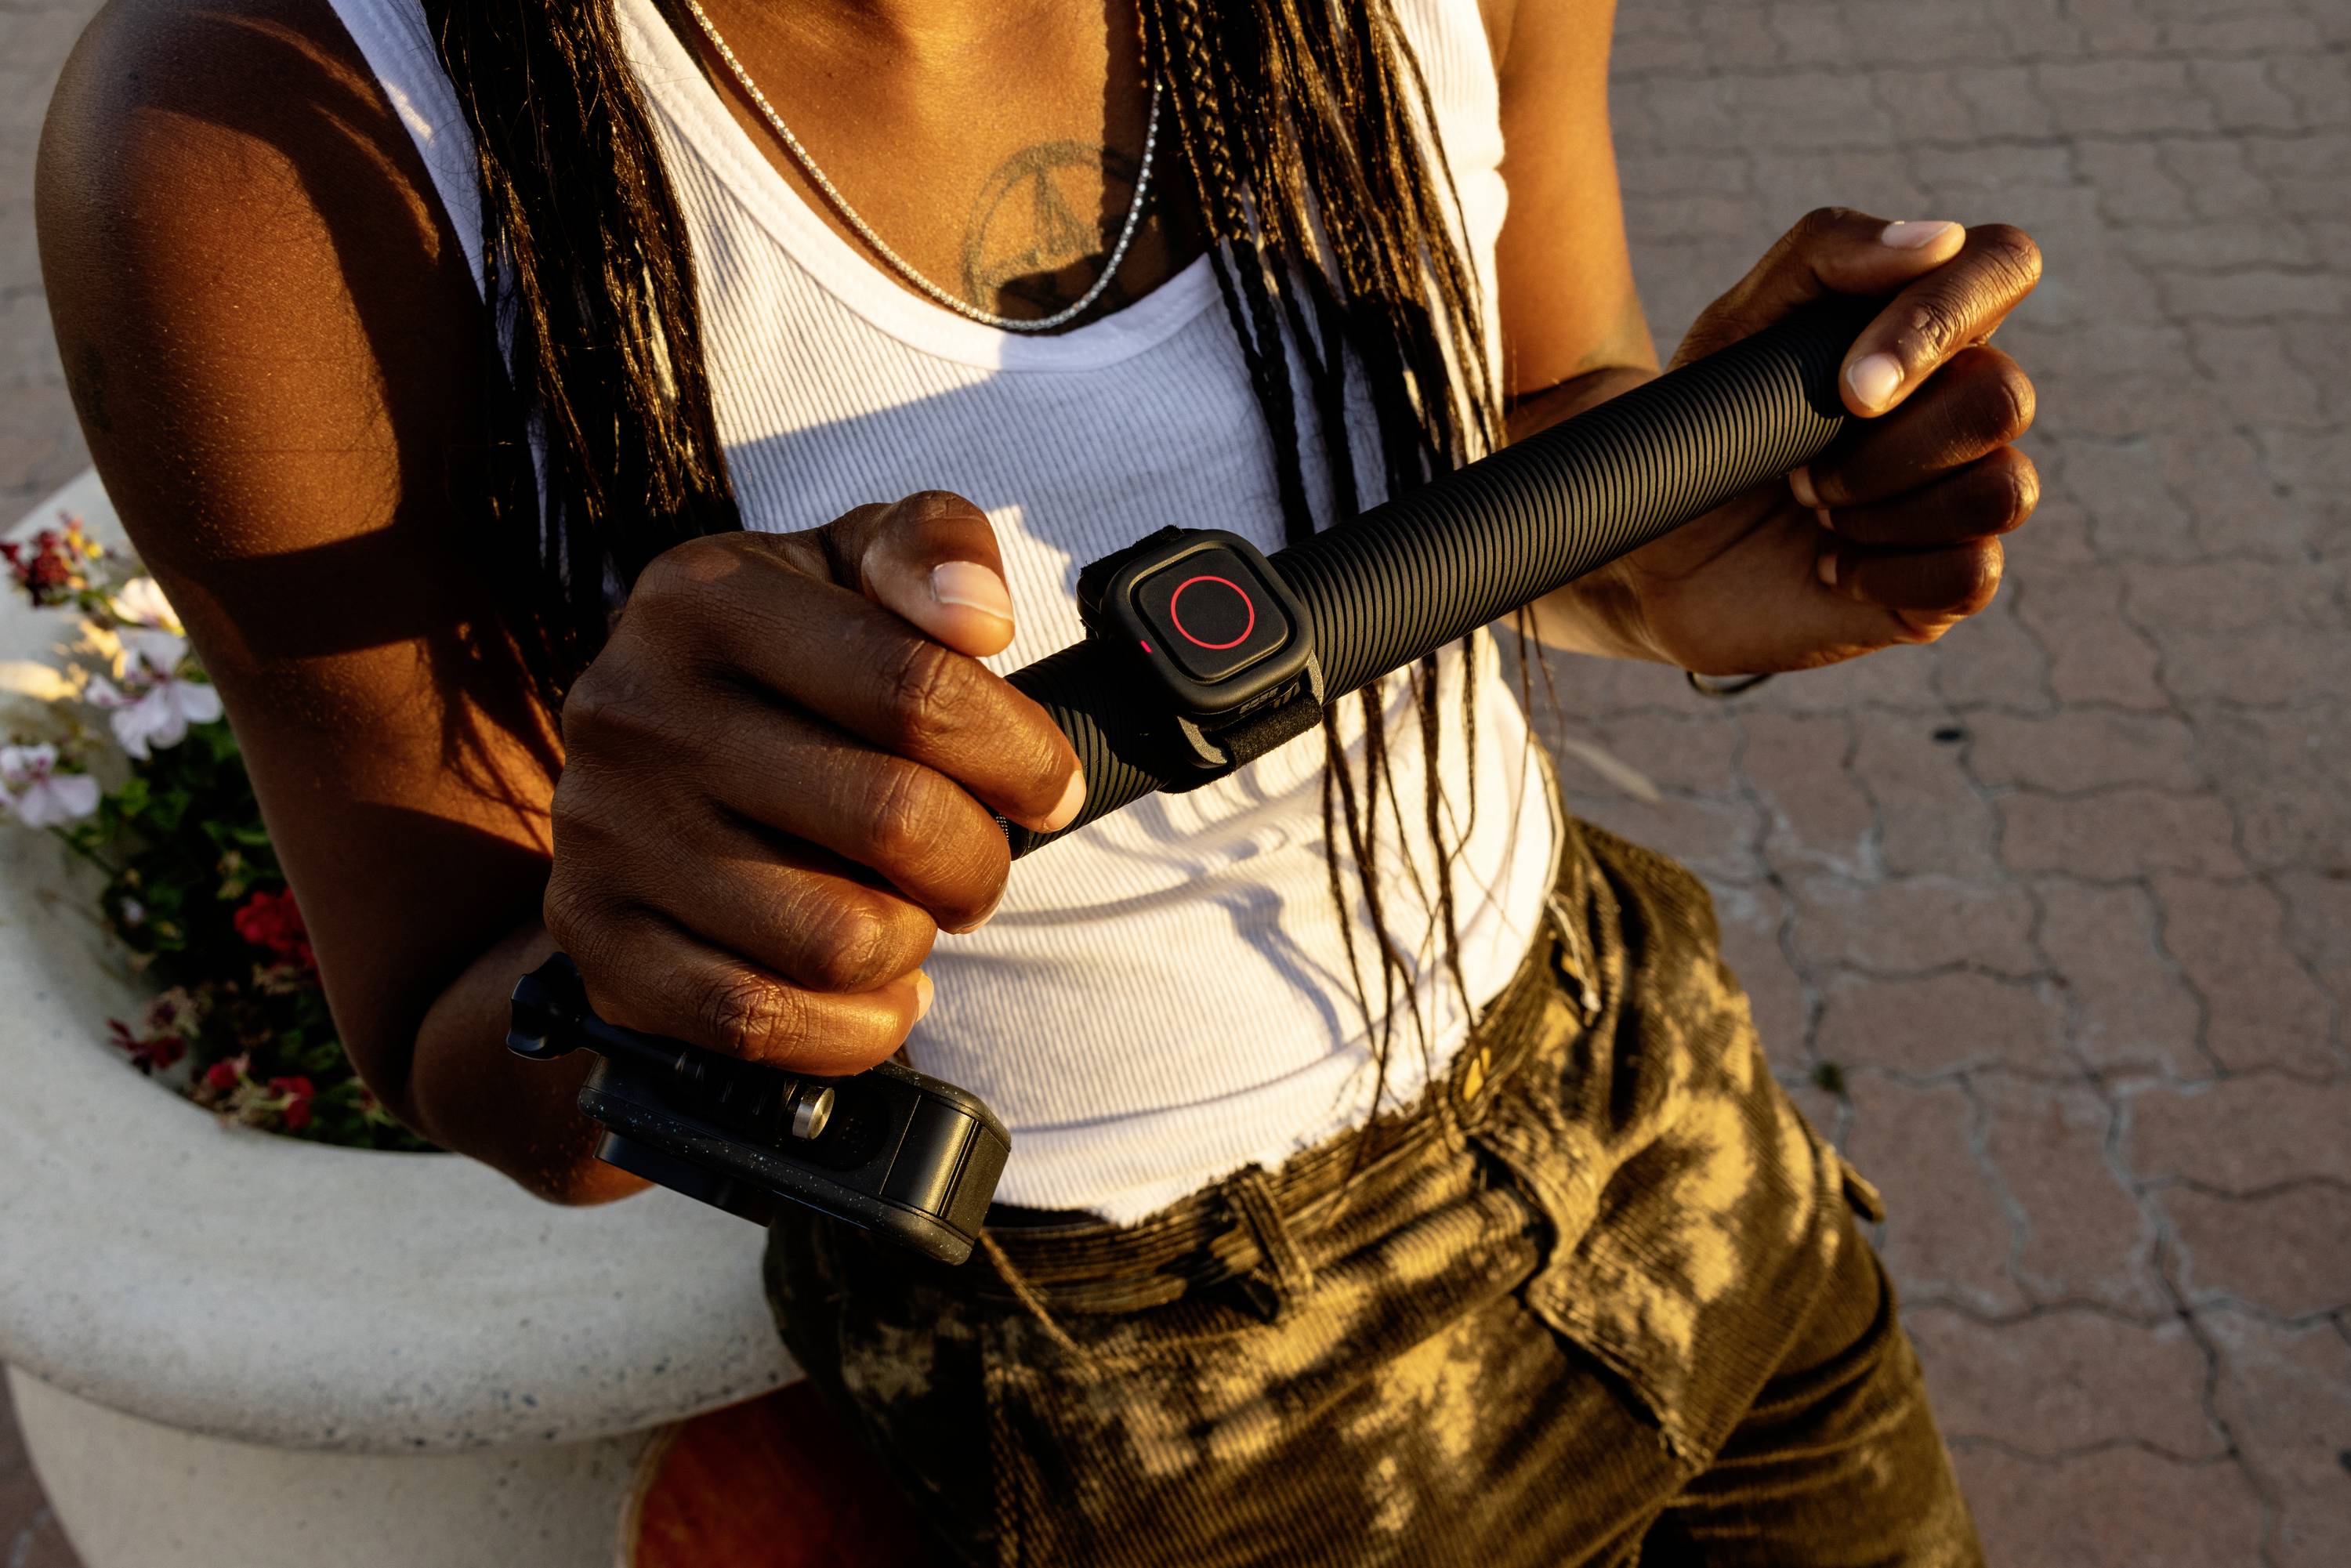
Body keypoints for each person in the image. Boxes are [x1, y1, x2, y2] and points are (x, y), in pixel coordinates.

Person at [38, 0, 2039, 1560]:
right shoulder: (255, 139)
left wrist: (1668, 522)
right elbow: (455, 1024)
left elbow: (1520, 404)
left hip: (1636, 1083)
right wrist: (680, 954)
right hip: (1137, 1375)